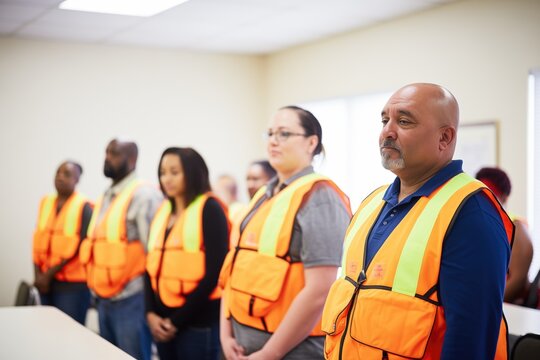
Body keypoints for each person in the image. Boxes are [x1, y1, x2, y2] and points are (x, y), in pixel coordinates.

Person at [322, 83, 514, 360]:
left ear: (445, 138)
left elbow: (470, 340)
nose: (387, 131)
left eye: (403, 121)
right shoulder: (371, 203)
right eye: (384, 120)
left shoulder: (472, 213)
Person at [220, 105, 351, 360]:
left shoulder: (320, 196)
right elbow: (234, 268)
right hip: (239, 345)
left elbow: (320, 290)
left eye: (284, 134)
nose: (273, 141)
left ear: (311, 142)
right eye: (269, 134)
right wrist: (226, 336)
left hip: (290, 352)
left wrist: (270, 352)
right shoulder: (262, 195)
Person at [79, 138, 162, 360]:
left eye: (114, 153)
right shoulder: (106, 195)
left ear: (132, 159)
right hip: (104, 299)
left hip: (132, 299)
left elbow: (154, 253)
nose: (107, 158)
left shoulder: (144, 196)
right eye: (106, 152)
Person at [145, 147, 230, 360]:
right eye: (163, 172)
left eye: (174, 172)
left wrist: (176, 322)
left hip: (197, 324)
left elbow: (215, 274)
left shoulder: (210, 209)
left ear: (192, 173)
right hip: (161, 322)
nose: (167, 178)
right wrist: (150, 315)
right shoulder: (163, 212)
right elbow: (150, 266)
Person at [33, 161, 93, 324]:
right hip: (45, 283)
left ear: (77, 179)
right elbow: (38, 240)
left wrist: (48, 275)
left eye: (66, 174)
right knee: (44, 330)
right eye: (58, 173)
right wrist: (39, 275)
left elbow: (81, 246)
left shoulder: (84, 206)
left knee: (69, 334)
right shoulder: (46, 202)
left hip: (72, 287)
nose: (60, 177)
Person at [476, 167, 534, 304]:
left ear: (504, 198)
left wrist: (487, 306)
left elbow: (518, 281)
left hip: (508, 309)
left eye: (492, 196)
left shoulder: (517, 229)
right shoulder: (479, 224)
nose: (486, 202)